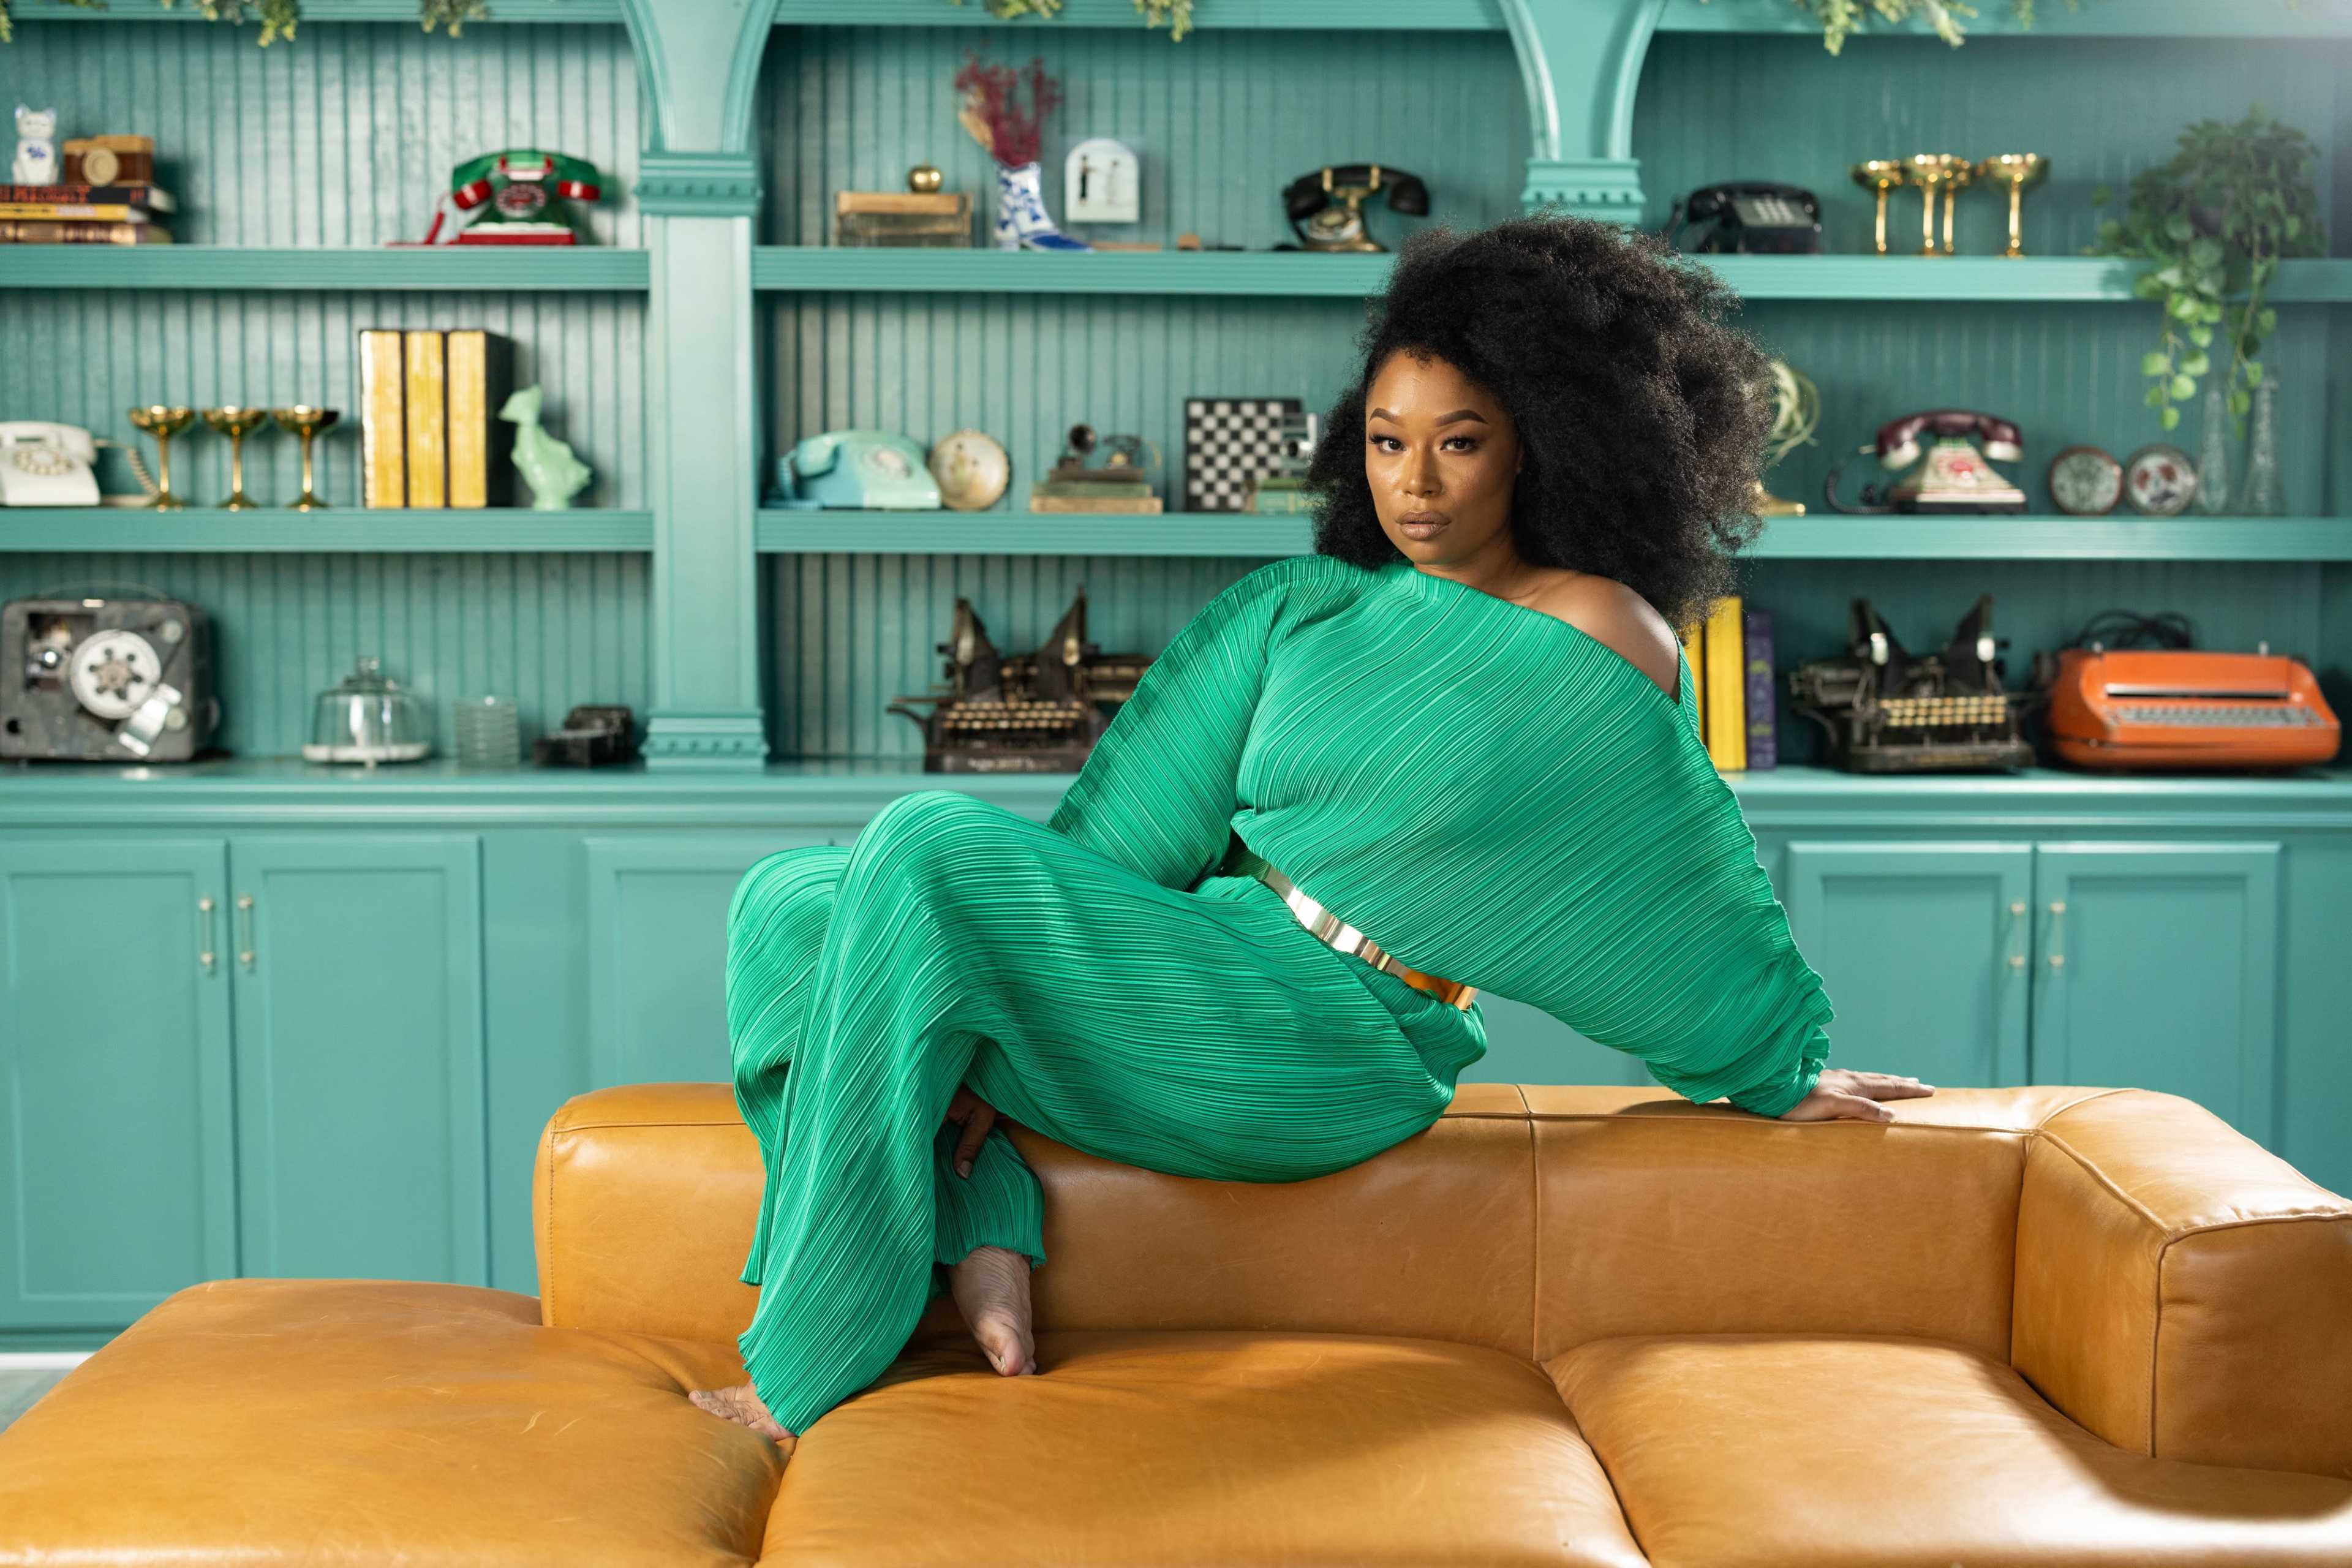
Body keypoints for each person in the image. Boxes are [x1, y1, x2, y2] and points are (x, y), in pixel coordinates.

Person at [688, 212, 1935, 1450]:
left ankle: (803, 1368)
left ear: (1542, 446)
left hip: (1348, 1031)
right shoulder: (1303, 609)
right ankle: (980, 1217)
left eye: (1460, 442)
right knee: (792, 899)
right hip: (1203, 962)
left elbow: (1672, 880)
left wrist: (1776, 1064)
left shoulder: (1599, 628)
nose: (1417, 482)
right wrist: (978, 971)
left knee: (923, 846)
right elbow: (1107, 850)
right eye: (1388, 442)